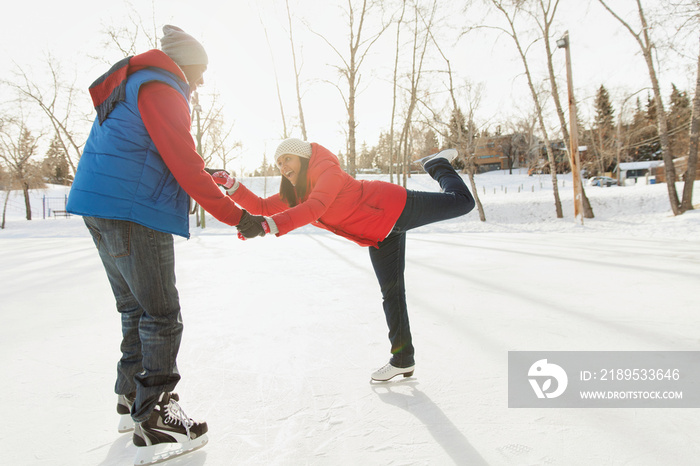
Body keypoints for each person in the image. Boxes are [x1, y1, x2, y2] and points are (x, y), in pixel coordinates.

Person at [66, 25, 259, 464]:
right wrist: (239, 216)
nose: (202, 81)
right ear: (186, 64)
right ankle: (154, 418)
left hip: (101, 204)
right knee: (161, 314)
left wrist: (204, 175)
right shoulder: (162, 86)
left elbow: (160, 154)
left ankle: (130, 397)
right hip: (132, 210)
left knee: (135, 307)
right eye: (201, 70)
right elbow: (183, 166)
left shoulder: (137, 83)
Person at [211, 138, 475, 382]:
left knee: (462, 202)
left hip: (393, 205)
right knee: (392, 294)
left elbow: (316, 208)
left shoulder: (328, 172)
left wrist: (268, 226)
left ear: (301, 158)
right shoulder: (297, 192)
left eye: (287, 159)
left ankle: (437, 164)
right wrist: (231, 185)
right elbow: (261, 207)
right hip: (379, 235)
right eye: (279, 164)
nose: (283, 167)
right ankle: (402, 359)